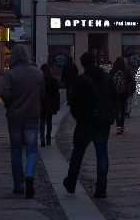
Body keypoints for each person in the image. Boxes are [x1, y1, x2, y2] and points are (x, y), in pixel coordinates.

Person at [62, 52, 115, 199]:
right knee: (102, 154)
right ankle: (101, 187)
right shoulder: (107, 79)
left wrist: (80, 117)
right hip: (103, 123)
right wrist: (111, 115)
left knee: (77, 153)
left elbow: (74, 104)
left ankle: (71, 182)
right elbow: (114, 98)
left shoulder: (81, 80)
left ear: (83, 64)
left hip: (85, 124)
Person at [1, 44, 44, 198]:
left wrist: (11, 102)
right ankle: (30, 175)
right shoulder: (38, 73)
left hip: (15, 117)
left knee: (16, 151)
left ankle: (18, 185)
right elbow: (42, 94)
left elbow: (4, 94)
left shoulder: (10, 74)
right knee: (32, 150)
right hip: (33, 116)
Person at [40, 63, 61, 146]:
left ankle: (42, 137)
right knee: (49, 121)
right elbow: (57, 94)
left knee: (42, 120)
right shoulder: (53, 80)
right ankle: (48, 137)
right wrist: (57, 106)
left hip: (42, 103)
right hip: (50, 104)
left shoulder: (40, 80)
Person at [110, 57, 133, 134]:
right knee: (123, 109)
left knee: (117, 109)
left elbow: (109, 80)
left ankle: (118, 127)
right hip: (124, 92)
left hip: (115, 93)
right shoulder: (126, 71)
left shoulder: (113, 71)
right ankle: (122, 127)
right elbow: (130, 80)